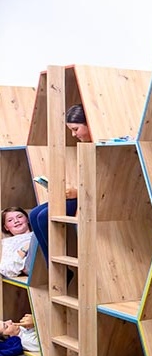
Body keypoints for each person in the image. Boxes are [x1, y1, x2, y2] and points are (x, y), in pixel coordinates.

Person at [30, 104, 86, 265]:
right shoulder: (83, 146)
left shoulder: (99, 146)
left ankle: (58, 270)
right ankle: (51, 266)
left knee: (43, 217)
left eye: (76, 129)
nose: (74, 135)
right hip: (81, 194)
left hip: (90, 198)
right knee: (34, 214)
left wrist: (78, 193)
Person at [0, 206, 34, 278]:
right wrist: (24, 250)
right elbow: (6, 269)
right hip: (30, 265)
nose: (16, 221)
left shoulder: (36, 233)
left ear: (27, 219)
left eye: (19, 217)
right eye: (10, 220)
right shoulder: (6, 243)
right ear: (6, 227)